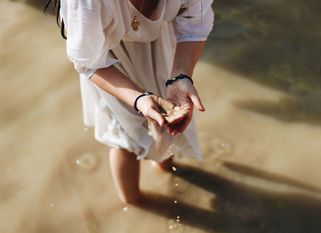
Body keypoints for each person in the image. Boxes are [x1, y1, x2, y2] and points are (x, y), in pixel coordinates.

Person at [54, 0, 214, 204]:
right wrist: (138, 99)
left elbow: (195, 21)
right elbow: (88, 61)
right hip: (106, 61)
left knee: (168, 119)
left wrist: (180, 76)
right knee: (126, 138)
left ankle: (165, 170)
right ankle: (134, 202)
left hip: (157, 44)